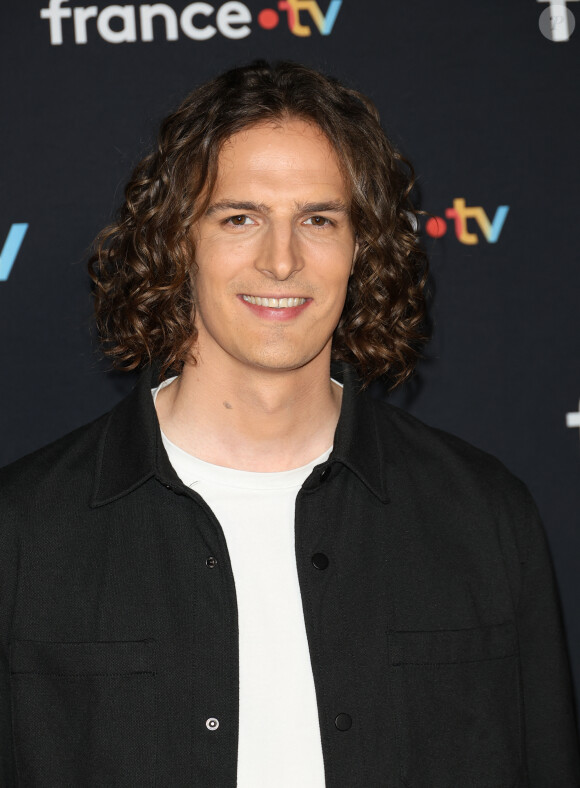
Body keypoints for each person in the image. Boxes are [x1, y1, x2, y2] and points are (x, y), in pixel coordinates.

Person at [0, 60, 578, 787]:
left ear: (360, 249)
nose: (281, 260)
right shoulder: (23, 533)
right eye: (240, 218)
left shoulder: (485, 516)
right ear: (179, 243)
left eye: (318, 220)